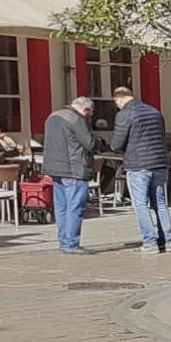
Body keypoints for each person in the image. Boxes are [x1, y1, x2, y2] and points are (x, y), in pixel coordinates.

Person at [109, 86, 171, 254]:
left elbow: (117, 144)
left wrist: (113, 146)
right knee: (159, 203)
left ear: (119, 99)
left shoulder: (125, 114)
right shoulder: (154, 112)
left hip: (138, 165)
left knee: (141, 205)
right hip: (159, 163)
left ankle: (150, 242)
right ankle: (166, 240)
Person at [42, 97, 96, 254]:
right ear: (86, 110)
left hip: (54, 167)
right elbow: (89, 143)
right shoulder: (77, 119)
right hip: (74, 168)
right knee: (75, 206)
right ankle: (71, 243)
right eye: (90, 113)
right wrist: (99, 143)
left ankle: (63, 240)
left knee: (61, 207)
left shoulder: (52, 116)